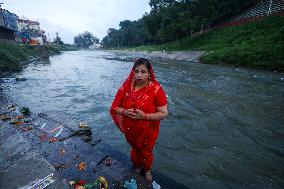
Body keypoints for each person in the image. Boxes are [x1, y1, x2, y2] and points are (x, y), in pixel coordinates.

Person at [110, 58, 168, 181]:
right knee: (135, 149)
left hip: (148, 131)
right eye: (136, 71)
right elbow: (114, 107)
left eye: (143, 71)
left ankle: (147, 170)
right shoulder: (126, 86)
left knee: (146, 151)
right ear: (133, 72)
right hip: (130, 129)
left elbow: (164, 113)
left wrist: (145, 116)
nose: (139, 75)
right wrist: (125, 112)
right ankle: (136, 165)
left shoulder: (156, 89)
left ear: (149, 73)